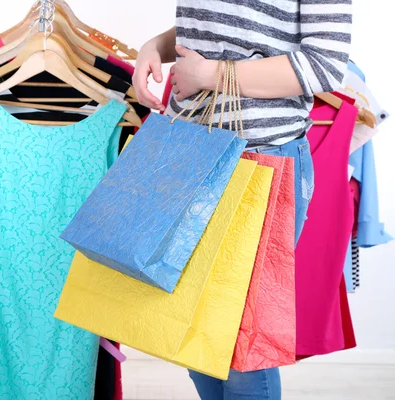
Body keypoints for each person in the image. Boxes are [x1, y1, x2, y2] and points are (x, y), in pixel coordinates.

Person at [132, 1, 352, 399]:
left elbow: (325, 65)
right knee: (193, 327)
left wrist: (214, 75)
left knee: (237, 340)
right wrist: (158, 45)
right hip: (189, 148)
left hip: (260, 160)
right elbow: (222, 29)